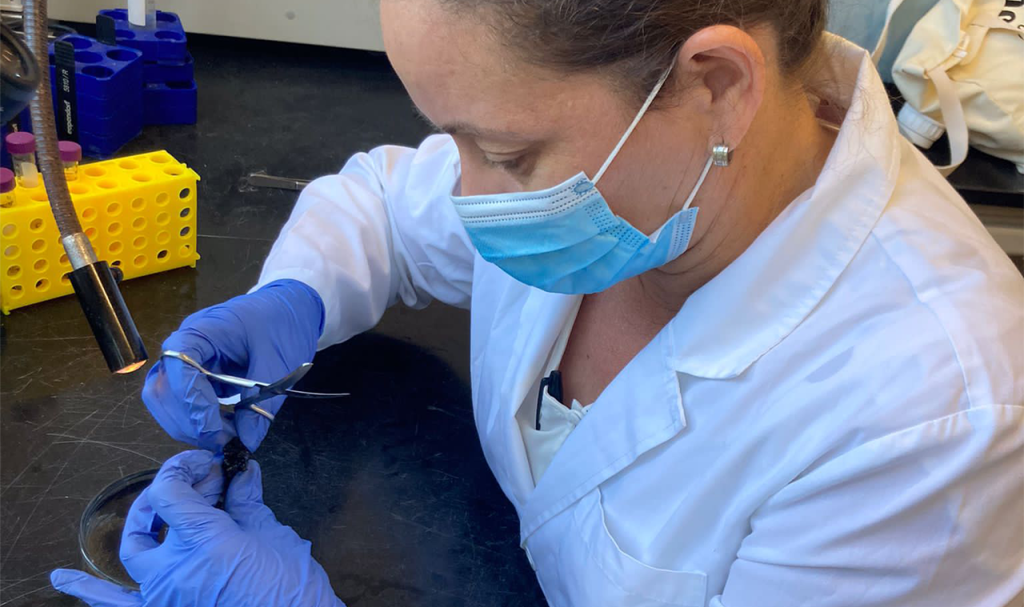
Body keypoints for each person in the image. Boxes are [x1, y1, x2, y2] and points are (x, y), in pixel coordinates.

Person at [52, 0, 1024, 605]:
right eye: (453, 137)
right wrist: (295, 297)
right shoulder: (655, 177)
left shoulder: (932, 416)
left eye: (506, 154)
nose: (470, 195)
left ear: (716, 85)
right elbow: (383, 202)